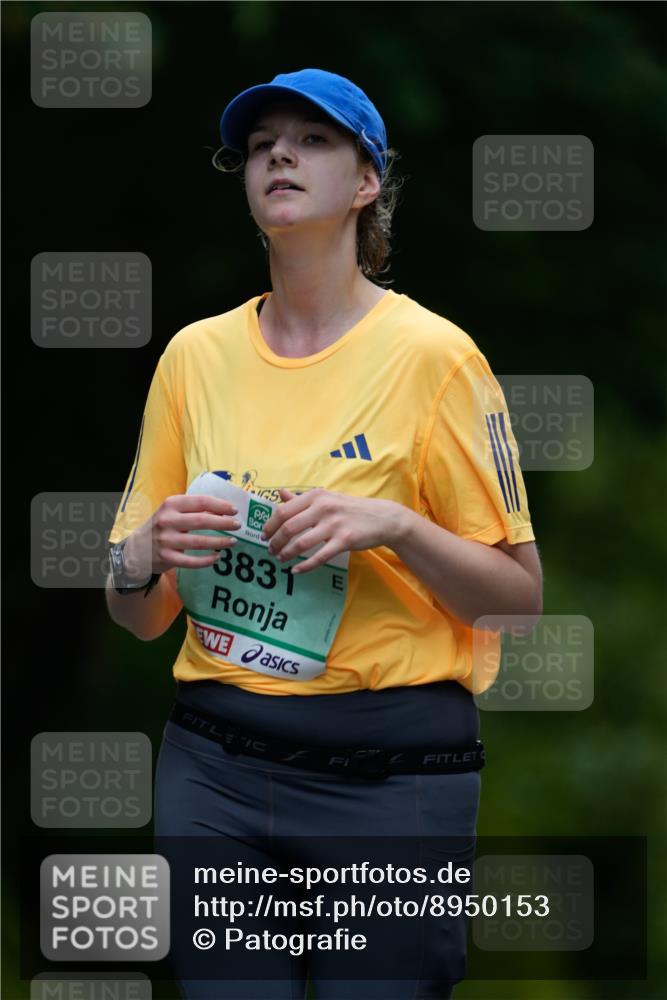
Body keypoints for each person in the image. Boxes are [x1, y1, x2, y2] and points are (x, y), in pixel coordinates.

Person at [105, 68, 542, 1000]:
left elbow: (519, 603)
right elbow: (136, 612)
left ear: (366, 183)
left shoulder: (436, 358)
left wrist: (395, 527)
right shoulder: (194, 356)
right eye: (261, 143)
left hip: (390, 775)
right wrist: (145, 554)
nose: (278, 155)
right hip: (214, 764)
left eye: (311, 139)